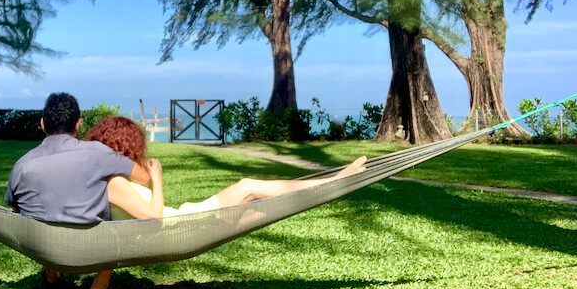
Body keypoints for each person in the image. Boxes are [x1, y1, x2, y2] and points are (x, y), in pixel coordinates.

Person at [4, 92, 151, 289]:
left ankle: (52, 276)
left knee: (38, 210)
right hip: (95, 249)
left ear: (43, 124)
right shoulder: (98, 153)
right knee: (117, 211)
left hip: (43, 248)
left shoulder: (22, 165)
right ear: (79, 124)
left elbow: (15, 210)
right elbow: (144, 178)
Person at [84, 116, 368, 220]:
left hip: (186, 217)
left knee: (254, 197)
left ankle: (332, 180)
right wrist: (157, 179)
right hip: (183, 224)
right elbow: (154, 218)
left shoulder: (111, 179)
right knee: (249, 188)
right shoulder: (114, 182)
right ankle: (335, 180)